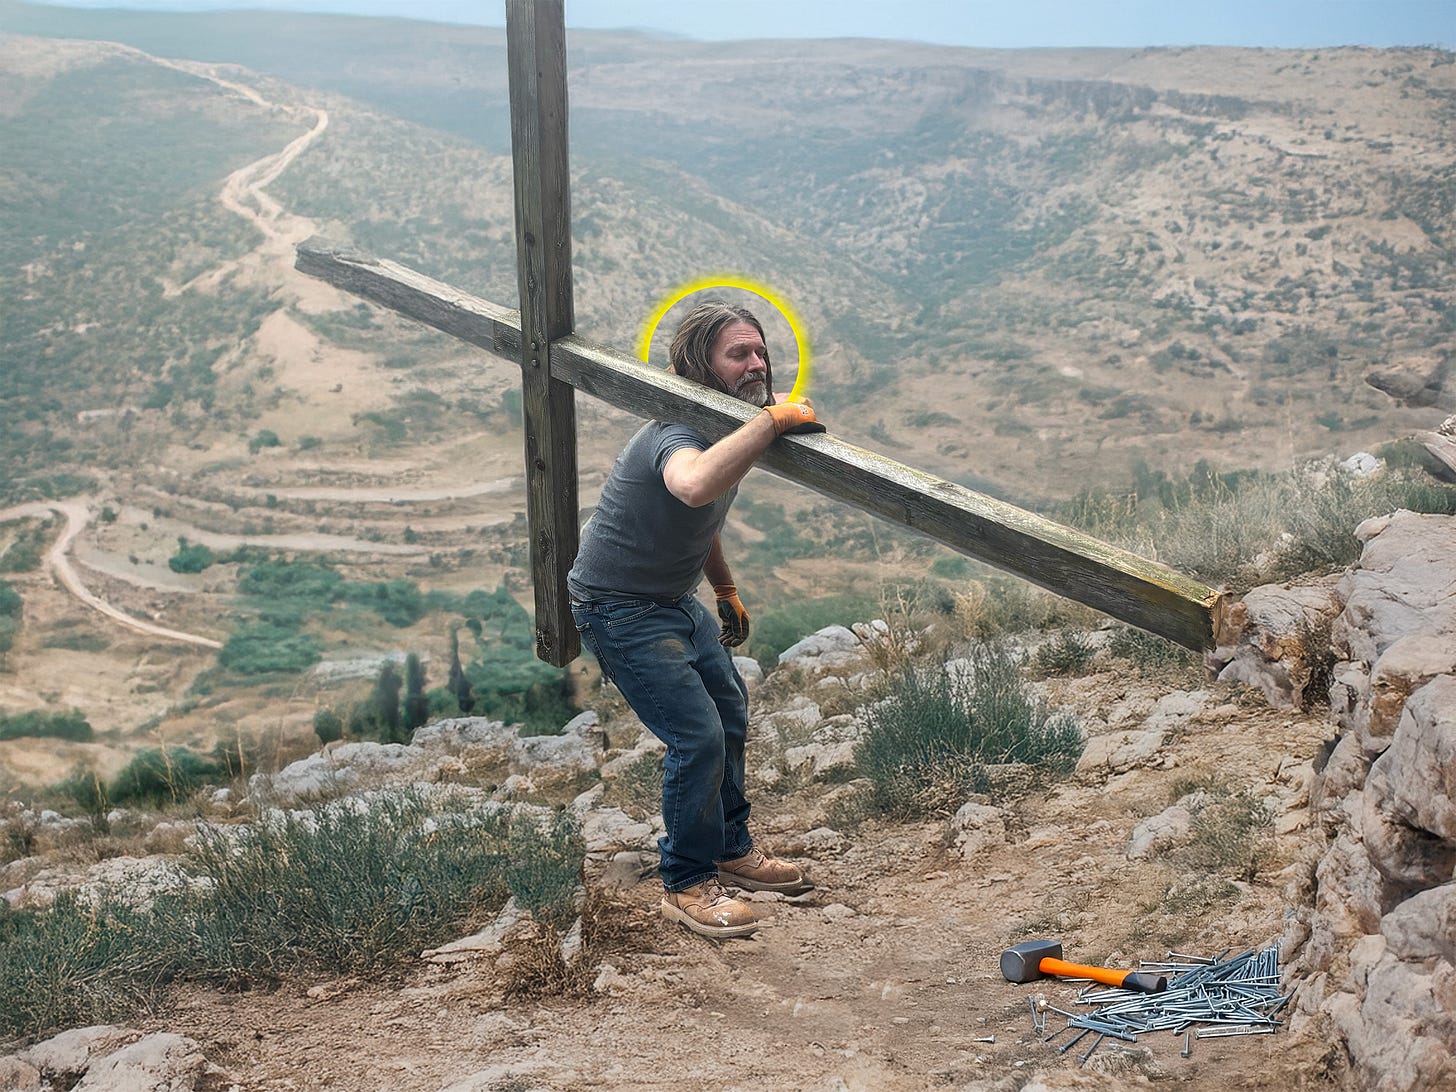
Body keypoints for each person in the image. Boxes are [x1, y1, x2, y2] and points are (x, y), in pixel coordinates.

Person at [568, 301, 824, 939]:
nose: (756, 364)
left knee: (731, 713)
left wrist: (724, 587)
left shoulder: (725, 428)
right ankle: (685, 882)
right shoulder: (676, 433)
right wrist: (770, 423)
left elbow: (698, 519)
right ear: (698, 365)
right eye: (738, 354)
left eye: (760, 352)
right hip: (619, 606)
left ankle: (732, 850)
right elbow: (691, 487)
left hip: (675, 598)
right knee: (698, 736)